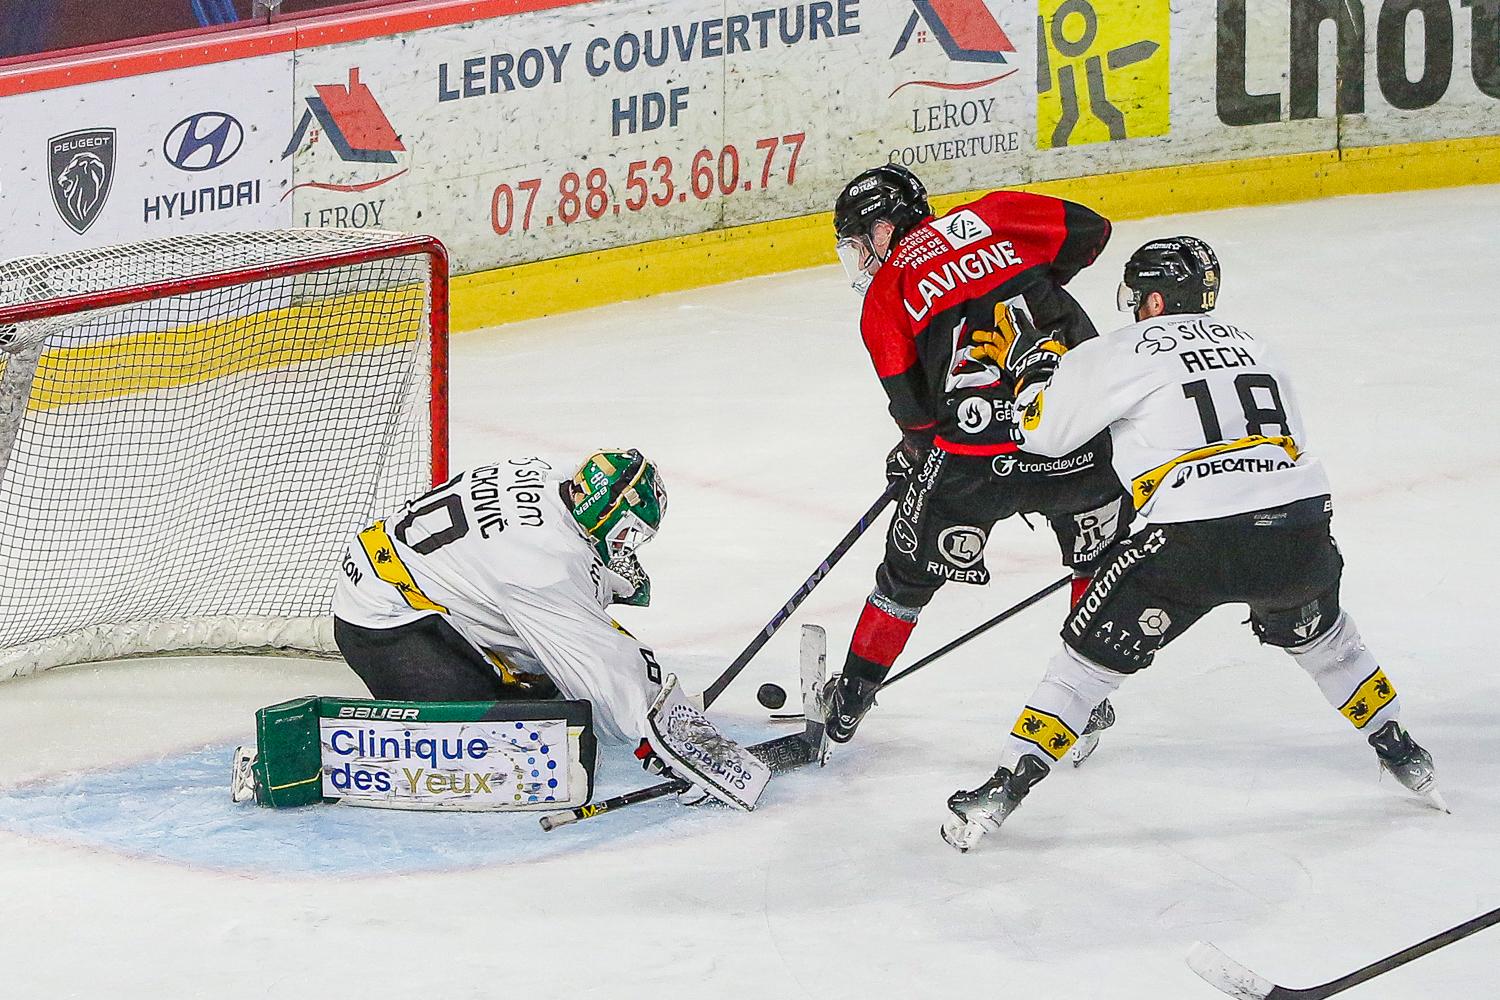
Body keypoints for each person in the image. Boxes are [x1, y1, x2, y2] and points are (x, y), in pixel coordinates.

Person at [940, 237, 1444, 852]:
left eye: (1137, 296)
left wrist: (1036, 368)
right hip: (1301, 530)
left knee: (1083, 669)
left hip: (1190, 542)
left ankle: (1003, 789)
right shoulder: (1254, 342)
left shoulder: (1124, 348)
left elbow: (1042, 433)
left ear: (1153, 299)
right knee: (1328, 641)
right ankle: (1401, 750)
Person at [823, 163, 1131, 746]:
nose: (862, 260)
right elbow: (1092, 231)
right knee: (1096, 559)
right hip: (1077, 435)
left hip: (974, 458)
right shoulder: (995, 216)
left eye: (861, 245)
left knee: (905, 579)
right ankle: (1083, 698)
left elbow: (915, 413)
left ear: (885, 230)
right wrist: (1030, 281)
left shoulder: (887, 293)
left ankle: (851, 698)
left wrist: (916, 450)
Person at [329, 449, 768, 810]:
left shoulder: (544, 475)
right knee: (495, 740)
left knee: (549, 676)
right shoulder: (545, 565)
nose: (625, 546)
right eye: (626, 533)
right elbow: (601, 663)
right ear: (603, 513)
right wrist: (658, 739)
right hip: (386, 622)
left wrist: (597, 582)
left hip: (404, 578)